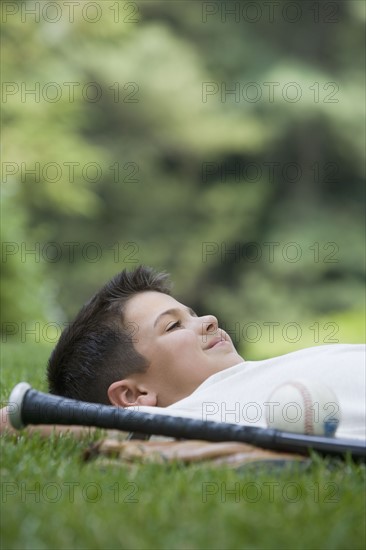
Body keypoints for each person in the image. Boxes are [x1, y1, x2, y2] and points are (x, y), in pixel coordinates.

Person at [2, 266, 365, 440]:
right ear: (134, 397)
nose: (207, 320)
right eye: (173, 326)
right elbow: (99, 429)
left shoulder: (249, 378)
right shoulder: (198, 413)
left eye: (190, 314)